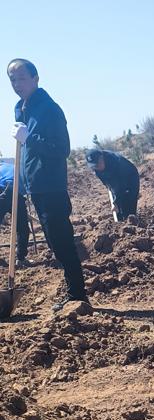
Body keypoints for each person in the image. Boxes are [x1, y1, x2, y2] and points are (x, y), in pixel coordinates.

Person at [8, 58, 88, 311]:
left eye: (21, 78)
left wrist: (30, 139)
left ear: (35, 79)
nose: (17, 83)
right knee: (54, 243)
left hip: (51, 186)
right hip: (34, 187)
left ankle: (78, 295)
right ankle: (73, 291)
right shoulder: (20, 108)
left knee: (60, 240)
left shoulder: (50, 109)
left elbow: (62, 149)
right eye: (12, 79)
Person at [84, 149, 140, 221]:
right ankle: (120, 222)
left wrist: (116, 203)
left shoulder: (116, 162)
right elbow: (106, 182)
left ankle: (132, 222)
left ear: (102, 158)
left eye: (97, 165)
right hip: (116, 179)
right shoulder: (97, 168)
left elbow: (121, 186)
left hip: (130, 177)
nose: (96, 168)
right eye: (94, 166)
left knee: (128, 202)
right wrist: (109, 187)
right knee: (118, 209)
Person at [0, 160, 29, 266]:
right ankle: (21, 258)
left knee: (22, 228)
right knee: (22, 229)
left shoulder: (2, 167)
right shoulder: (18, 168)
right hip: (15, 192)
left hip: (3, 190)